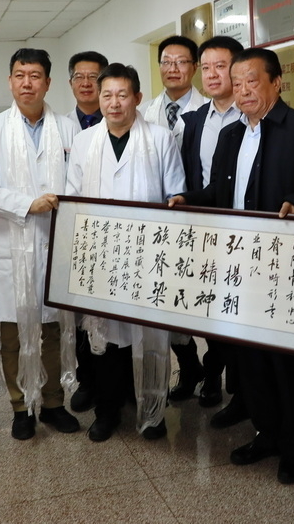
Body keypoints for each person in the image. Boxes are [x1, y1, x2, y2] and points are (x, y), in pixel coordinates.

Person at [169, 47, 294, 485]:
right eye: (236, 82)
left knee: (287, 361)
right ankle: (267, 433)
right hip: (238, 263)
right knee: (251, 360)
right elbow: (219, 193)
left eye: (251, 81)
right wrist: (188, 199)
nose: (242, 91)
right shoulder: (231, 136)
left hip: (284, 266)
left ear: (277, 82)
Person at [66, 62, 185, 442]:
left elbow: (175, 191)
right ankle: (107, 411)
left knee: (150, 335)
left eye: (122, 95)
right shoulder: (84, 142)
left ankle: (153, 410)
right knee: (105, 338)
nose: (114, 103)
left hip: (149, 255)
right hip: (100, 255)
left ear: (137, 97)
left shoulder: (160, 138)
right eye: (107, 95)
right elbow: (73, 199)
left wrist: (178, 202)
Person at [0, 48, 80, 440]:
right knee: (12, 335)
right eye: (20, 75)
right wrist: (28, 204)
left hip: (54, 243)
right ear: (10, 81)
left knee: (52, 330)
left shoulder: (67, 129)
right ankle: (20, 407)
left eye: (35, 76)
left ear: (47, 83)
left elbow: (81, 181)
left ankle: (53, 403)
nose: (27, 83)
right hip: (10, 245)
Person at [171, 35, 247, 424]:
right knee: (209, 307)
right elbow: (191, 175)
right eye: (206, 67)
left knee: (239, 312)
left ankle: (237, 388)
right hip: (202, 229)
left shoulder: (250, 114)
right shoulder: (195, 120)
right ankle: (212, 374)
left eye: (221, 66)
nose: (213, 74)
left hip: (244, 232)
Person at [140, 35, 208, 394]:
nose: (173, 68)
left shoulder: (210, 108)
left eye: (181, 61)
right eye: (166, 61)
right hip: (159, 220)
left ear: (193, 67)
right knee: (167, 297)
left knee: (205, 298)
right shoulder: (144, 112)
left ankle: (212, 374)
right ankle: (190, 365)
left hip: (200, 216)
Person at [64, 50, 109, 414]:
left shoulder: (121, 120)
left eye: (93, 76)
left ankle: (116, 385)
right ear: (70, 83)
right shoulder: (63, 127)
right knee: (80, 314)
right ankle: (87, 380)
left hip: (114, 235)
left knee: (114, 315)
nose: (85, 83)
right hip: (76, 234)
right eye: (79, 76)